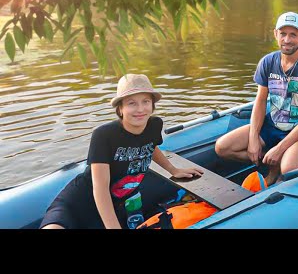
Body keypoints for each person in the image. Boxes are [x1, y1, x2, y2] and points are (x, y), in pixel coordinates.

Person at [40, 74, 203, 229]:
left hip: (118, 205)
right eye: (132, 103)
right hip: (81, 201)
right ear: (120, 109)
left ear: (152, 105)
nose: (140, 109)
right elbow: (100, 188)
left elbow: (150, 146)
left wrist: (173, 169)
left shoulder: (154, 125)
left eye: (146, 101)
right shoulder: (104, 135)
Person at [215, 12, 298, 185]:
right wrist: (253, 139)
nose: (287, 40)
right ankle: (269, 164)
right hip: (272, 124)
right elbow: (260, 101)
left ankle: (278, 168)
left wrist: (280, 148)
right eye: (283, 34)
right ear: (275, 34)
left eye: (293, 35)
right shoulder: (267, 62)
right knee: (222, 147)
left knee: (288, 170)